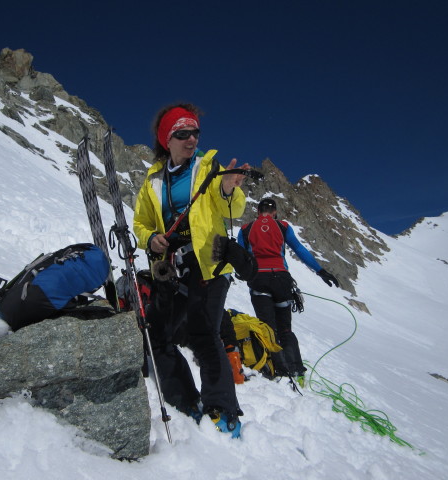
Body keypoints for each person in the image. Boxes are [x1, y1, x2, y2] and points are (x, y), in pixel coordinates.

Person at [133, 104, 250, 438]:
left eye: (195, 132)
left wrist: (228, 188)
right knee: (157, 335)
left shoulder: (207, 167)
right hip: (174, 268)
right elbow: (140, 221)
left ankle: (223, 411)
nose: (191, 139)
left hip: (209, 264)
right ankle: (186, 402)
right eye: (182, 134)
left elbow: (235, 208)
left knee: (202, 331)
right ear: (166, 140)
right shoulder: (153, 180)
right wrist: (151, 239)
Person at [238, 197, 340, 387]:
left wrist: (241, 272)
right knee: (285, 328)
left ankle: (278, 371)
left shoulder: (246, 229)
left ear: (258, 212)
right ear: (274, 212)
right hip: (282, 280)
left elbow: (240, 255)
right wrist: (320, 271)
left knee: (268, 328)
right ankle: (297, 371)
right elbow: (299, 249)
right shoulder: (283, 227)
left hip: (259, 279)